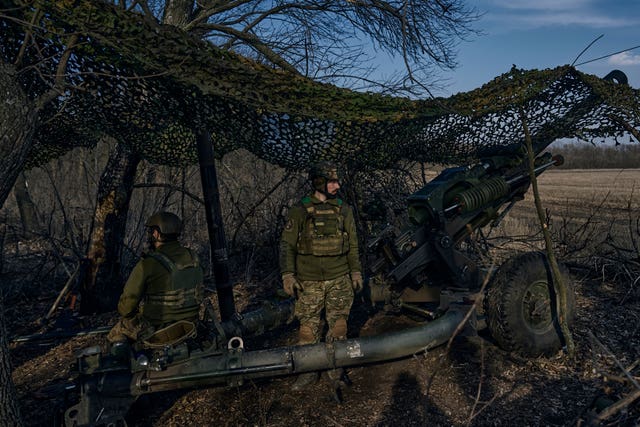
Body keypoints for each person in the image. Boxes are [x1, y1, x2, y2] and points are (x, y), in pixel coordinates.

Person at [279, 161, 363, 392]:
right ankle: (308, 371)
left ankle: (335, 368)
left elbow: (353, 246)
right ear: (319, 182)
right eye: (332, 181)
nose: (338, 185)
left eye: (337, 180)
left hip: (339, 278)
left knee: (338, 327)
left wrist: (355, 272)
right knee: (308, 328)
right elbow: (286, 246)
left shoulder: (344, 210)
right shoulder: (300, 211)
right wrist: (288, 275)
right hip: (308, 281)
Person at [107, 212, 204, 346]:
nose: (150, 235)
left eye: (151, 231)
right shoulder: (194, 257)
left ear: (157, 234)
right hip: (191, 324)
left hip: (159, 329)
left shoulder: (148, 264)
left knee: (116, 334)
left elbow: (125, 308)